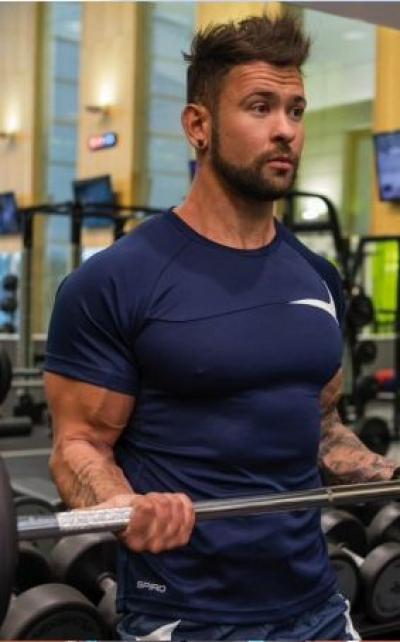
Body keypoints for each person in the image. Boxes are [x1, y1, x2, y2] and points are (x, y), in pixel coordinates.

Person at [44, 13, 399, 641]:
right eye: (260, 107)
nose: (285, 129)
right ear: (198, 125)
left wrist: (387, 473)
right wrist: (121, 505)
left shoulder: (317, 277)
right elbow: (79, 446)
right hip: (187, 617)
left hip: (317, 601)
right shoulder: (115, 281)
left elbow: (321, 428)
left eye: (295, 109)